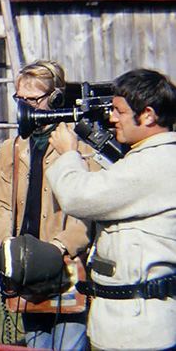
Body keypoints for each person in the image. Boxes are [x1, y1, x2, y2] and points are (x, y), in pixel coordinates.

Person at [47, 68, 176, 351]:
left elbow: (78, 197)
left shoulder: (155, 163)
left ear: (149, 115)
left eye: (119, 111)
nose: (111, 117)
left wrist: (69, 154)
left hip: (139, 332)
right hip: (129, 324)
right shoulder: (145, 158)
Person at [0, 60, 96, 350]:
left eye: (33, 99)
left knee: (69, 343)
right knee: (37, 344)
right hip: (27, 269)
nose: (24, 106)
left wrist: (60, 247)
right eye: (19, 99)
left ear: (56, 97)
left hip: (66, 264)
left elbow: (90, 209)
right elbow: (0, 205)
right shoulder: (12, 147)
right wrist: (8, 246)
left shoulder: (80, 147)